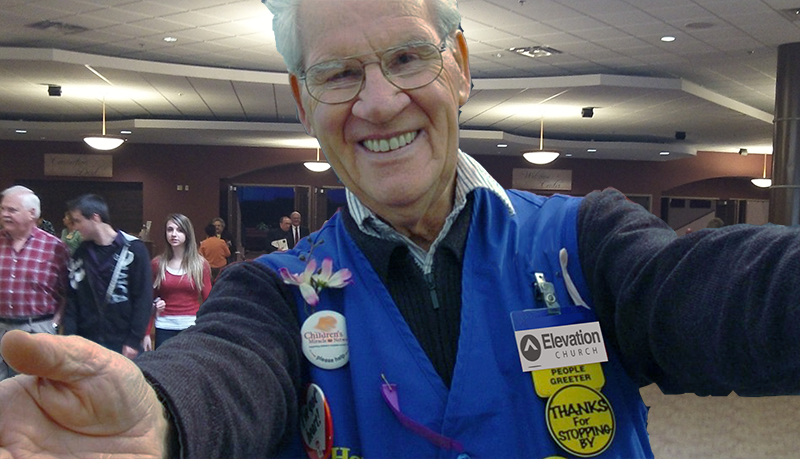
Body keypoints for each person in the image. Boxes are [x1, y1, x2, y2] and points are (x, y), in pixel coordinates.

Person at [1, 1, 800, 458]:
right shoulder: (273, 294)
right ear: (303, 100)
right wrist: (161, 412)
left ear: (459, 66)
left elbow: (719, 294)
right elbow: (226, 370)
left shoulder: (583, 243)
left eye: (409, 59)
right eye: (339, 73)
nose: (379, 102)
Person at [60, 194, 153, 360]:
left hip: (123, 342)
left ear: (95, 218)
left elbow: (143, 298)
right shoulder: (81, 253)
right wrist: (70, 338)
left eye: (78, 221)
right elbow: (72, 299)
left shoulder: (134, 249)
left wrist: (134, 339)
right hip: (86, 342)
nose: (74, 228)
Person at [0, 186, 69, 380]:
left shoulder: (54, 247)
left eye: (12, 210)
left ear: (32, 213)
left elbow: (67, 292)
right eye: (2, 209)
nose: (4, 214)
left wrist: (54, 324)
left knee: (33, 388)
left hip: (37, 329)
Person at [151, 214, 212, 348]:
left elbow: (209, 300)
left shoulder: (200, 264)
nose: (174, 234)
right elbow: (150, 298)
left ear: (187, 234)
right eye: (170, 230)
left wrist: (210, 328)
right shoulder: (157, 264)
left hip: (191, 325)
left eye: (179, 230)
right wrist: (146, 333)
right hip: (164, 325)